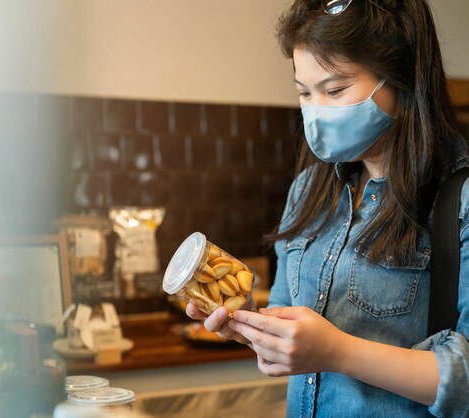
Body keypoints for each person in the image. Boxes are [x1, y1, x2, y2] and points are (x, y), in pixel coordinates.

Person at [186, 0, 469, 416]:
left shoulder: (457, 200)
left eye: (335, 90)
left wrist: (336, 351)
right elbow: (287, 316)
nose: (316, 110)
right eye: (304, 92)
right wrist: (250, 324)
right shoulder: (308, 192)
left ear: (401, 79)